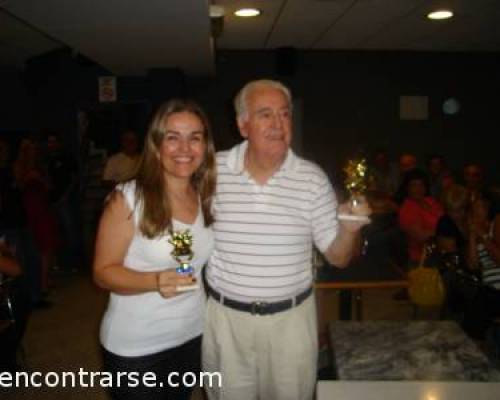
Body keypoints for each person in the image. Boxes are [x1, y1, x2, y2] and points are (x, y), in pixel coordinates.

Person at [202, 79, 371, 400]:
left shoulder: (312, 178)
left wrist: (350, 230)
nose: (278, 124)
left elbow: (338, 257)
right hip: (227, 322)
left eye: (284, 114)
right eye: (265, 114)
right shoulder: (211, 170)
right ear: (243, 124)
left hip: (291, 323)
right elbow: (181, 224)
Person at [93, 99, 216, 400]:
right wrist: (155, 281)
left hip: (191, 335)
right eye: (172, 137)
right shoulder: (128, 198)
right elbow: (102, 273)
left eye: (195, 137)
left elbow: (186, 255)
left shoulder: (206, 196)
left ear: (205, 146)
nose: (184, 148)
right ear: (156, 144)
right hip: (138, 347)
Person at [398, 169, 443, 265]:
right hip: (420, 260)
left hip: (440, 253)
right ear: (407, 188)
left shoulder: (431, 201)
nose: (418, 188)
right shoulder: (407, 208)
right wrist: (445, 230)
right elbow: (420, 236)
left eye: (421, 185)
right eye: (414, 185)